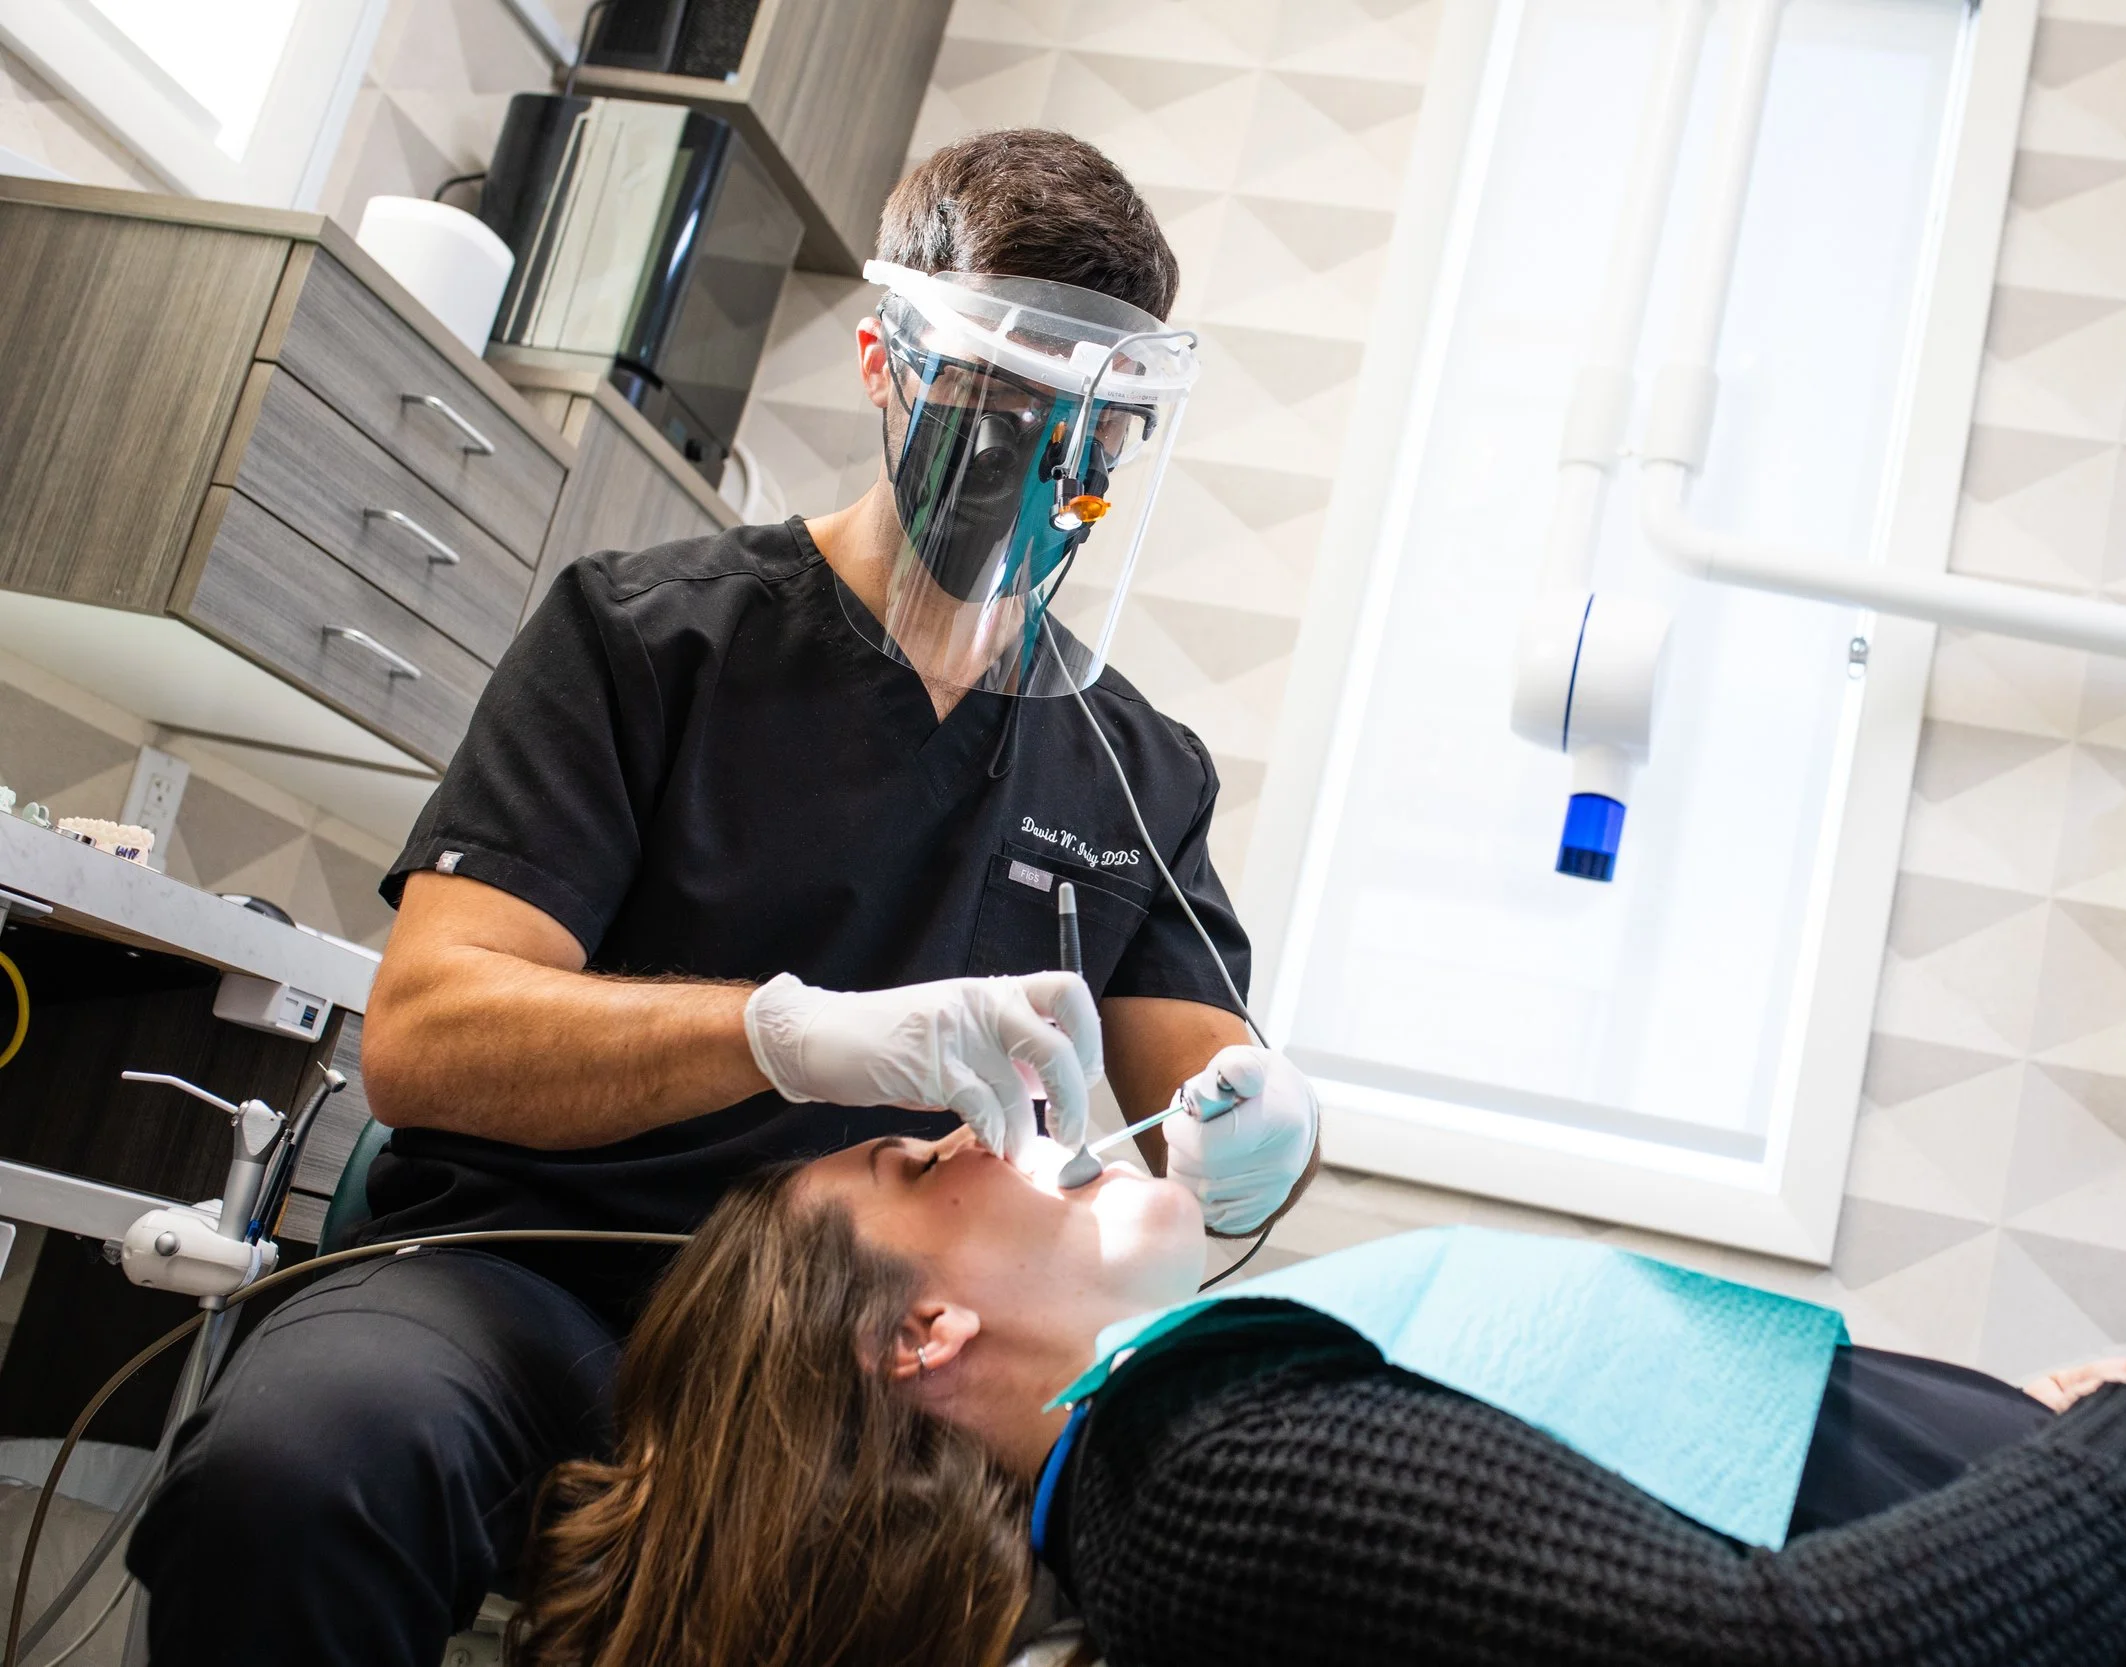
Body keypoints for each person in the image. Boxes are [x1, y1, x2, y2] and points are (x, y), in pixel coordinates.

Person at [128, 130, 1319, 1666]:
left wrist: (1266, 1134)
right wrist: (779, 1035)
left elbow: (1208, 1103)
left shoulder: (1135, 772)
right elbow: (424, 1037)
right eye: (1005, 403)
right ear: (888, 362)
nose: (1051, 466)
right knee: (300, 1471)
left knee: (1171, 1575)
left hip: (870, 1376)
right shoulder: (646, 642)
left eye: (1097, 427)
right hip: (537, 1281)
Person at [515, 1127, 2126, 1667]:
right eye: (915, 1161)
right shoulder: (1195, 1480)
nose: (977, 1130)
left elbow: (1716, 1521)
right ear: (919, 1336)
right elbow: (1780, 1654)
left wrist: (2014, 1449)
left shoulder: (1195, 1442)